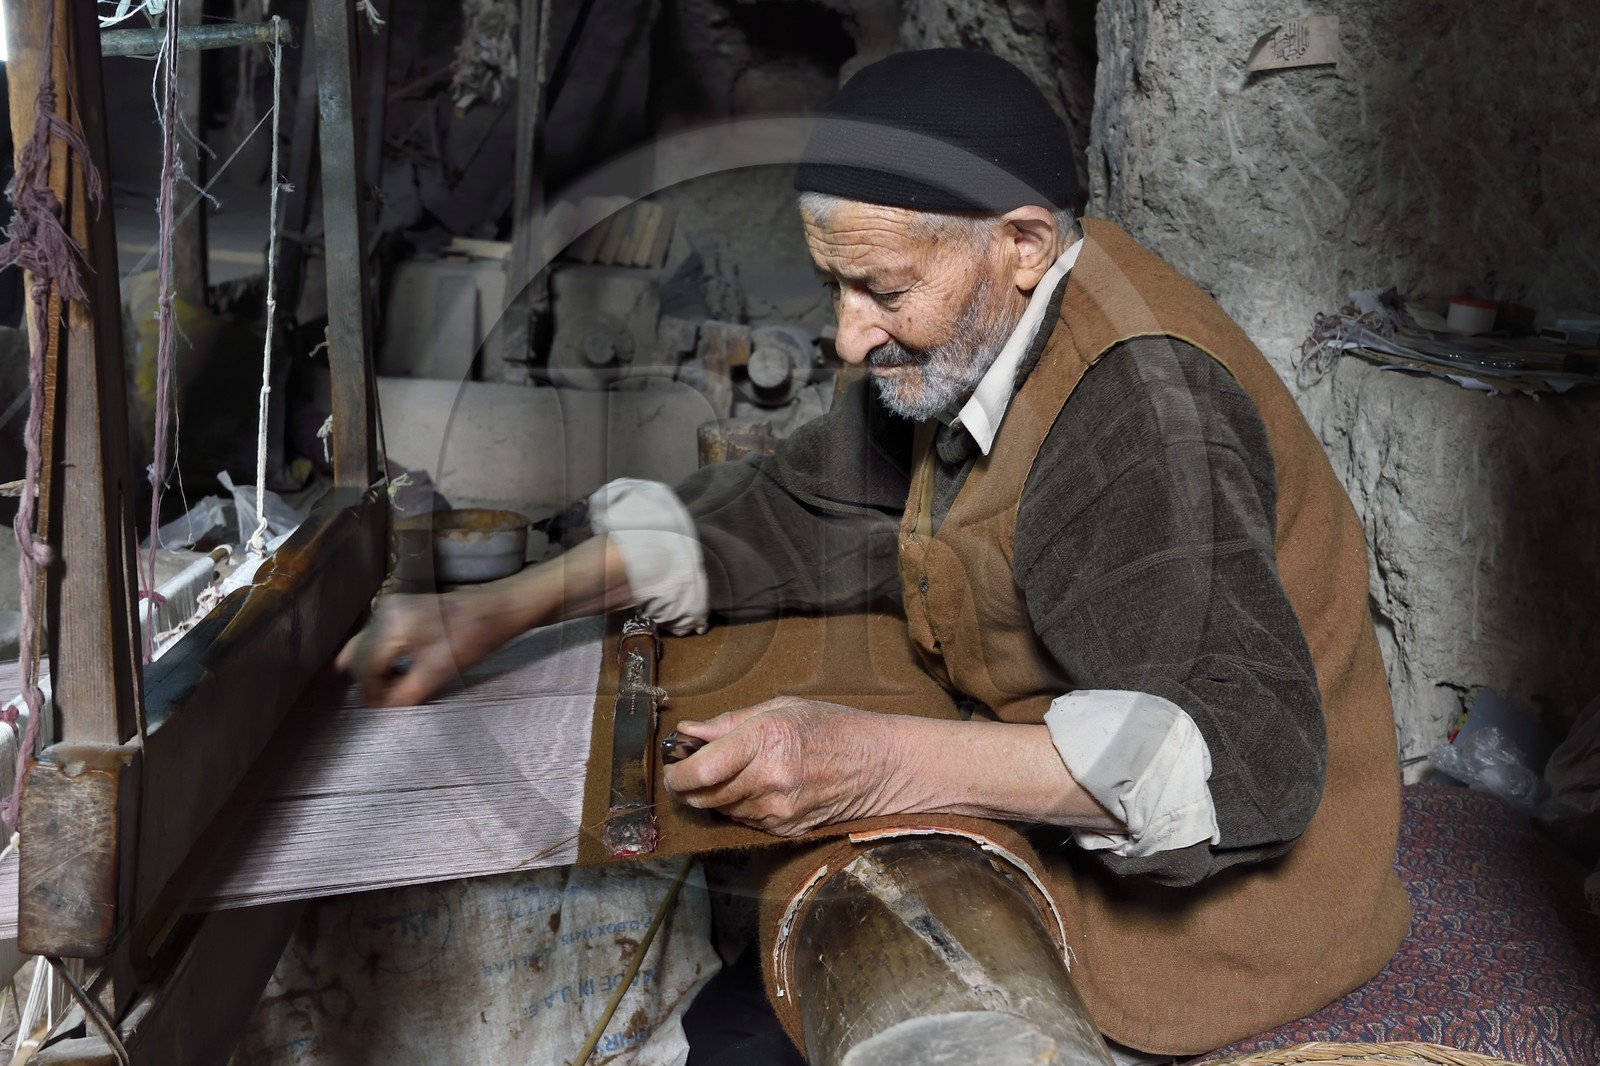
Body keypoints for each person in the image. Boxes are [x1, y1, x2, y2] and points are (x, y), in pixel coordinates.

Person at [341, 48, 1410, 1059]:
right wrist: (496, 611)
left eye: (885, 293)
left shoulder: (1139, 415)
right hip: (1057, 751)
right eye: (836, 287)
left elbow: (1252, 767)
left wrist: (873, 765)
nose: (850, 336)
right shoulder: (978, 330)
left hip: (1215, 928)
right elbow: (791, 506)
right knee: (785, 662)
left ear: (1024, 245)